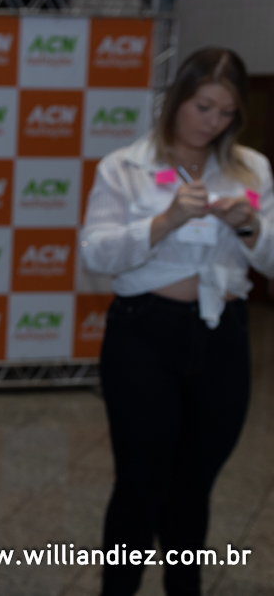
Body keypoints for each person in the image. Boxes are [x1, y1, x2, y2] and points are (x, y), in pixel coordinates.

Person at [81, 47, 274, 595]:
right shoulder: (124, 166)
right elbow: (96, 253)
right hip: (143, 335)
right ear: (176, 101)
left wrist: (250, 228)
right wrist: (165, 221)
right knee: (140, 484)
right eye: (202, 106)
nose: (211, 122)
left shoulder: (251, 169)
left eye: (225, 113)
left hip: (223, 337)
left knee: (194, 487)